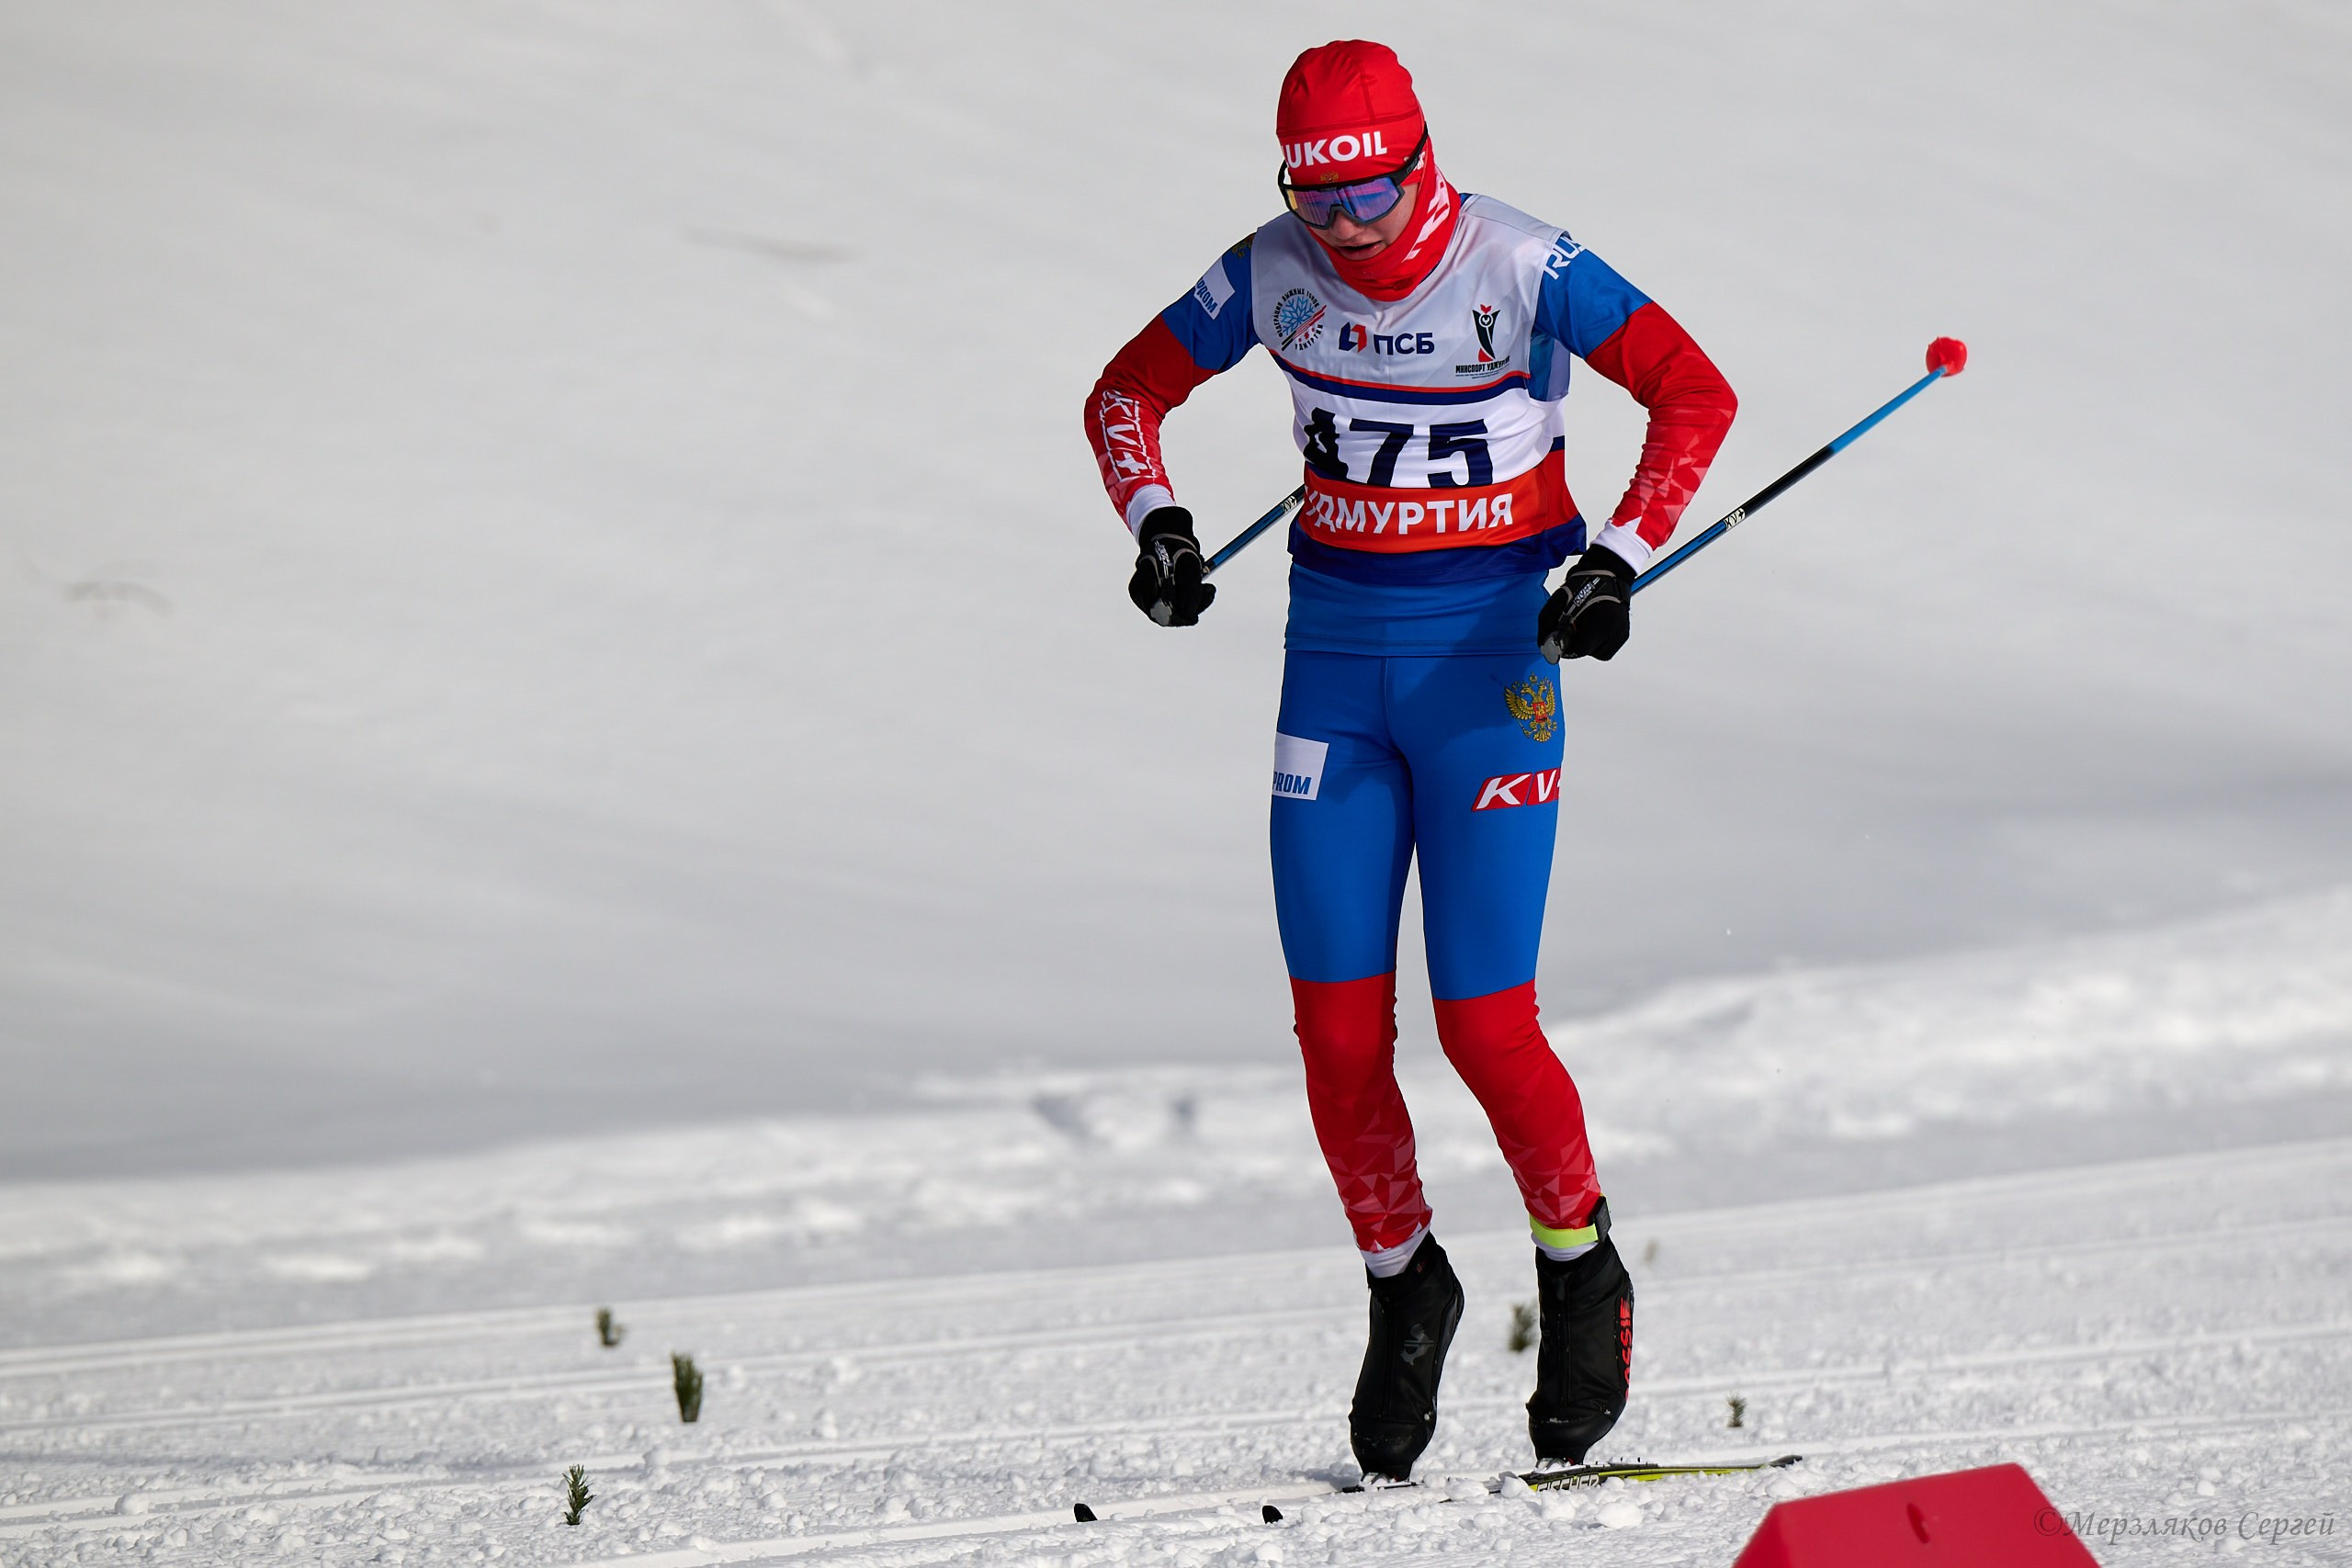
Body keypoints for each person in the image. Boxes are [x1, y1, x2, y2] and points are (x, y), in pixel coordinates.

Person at [1082, 39, 1736, 1481]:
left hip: (1489, 671)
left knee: (1485, 1024)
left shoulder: (1520, 263)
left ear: (1420, 158)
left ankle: (1581, 1270)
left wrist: (1620, 559)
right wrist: (1159, 526)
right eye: (1321, 206)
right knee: (1332, 1032)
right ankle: (1404, 1282)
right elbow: (1122, 397)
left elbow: (1696, 394)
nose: (1352, 232)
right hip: (1335, 672)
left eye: (1374, 196)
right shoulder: (1271, 269)